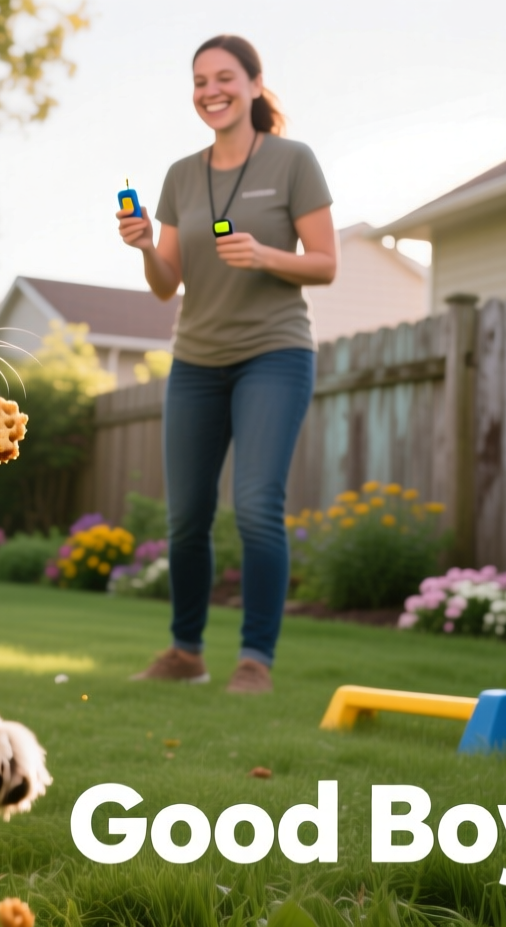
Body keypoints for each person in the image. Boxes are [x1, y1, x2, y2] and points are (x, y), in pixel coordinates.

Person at [116, 34, 336, 693]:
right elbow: (166, 283)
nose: (211, 90)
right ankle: (185, 653)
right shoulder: (183, 175)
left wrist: (265, 254)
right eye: (200, 80)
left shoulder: (294, 161)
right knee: (185, 514)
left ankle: (255, 661)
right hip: (196, 360)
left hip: (275, 352)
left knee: (256, 506)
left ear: (254, 84)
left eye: (224, 78)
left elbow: (326, 264)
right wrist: (145, 247)